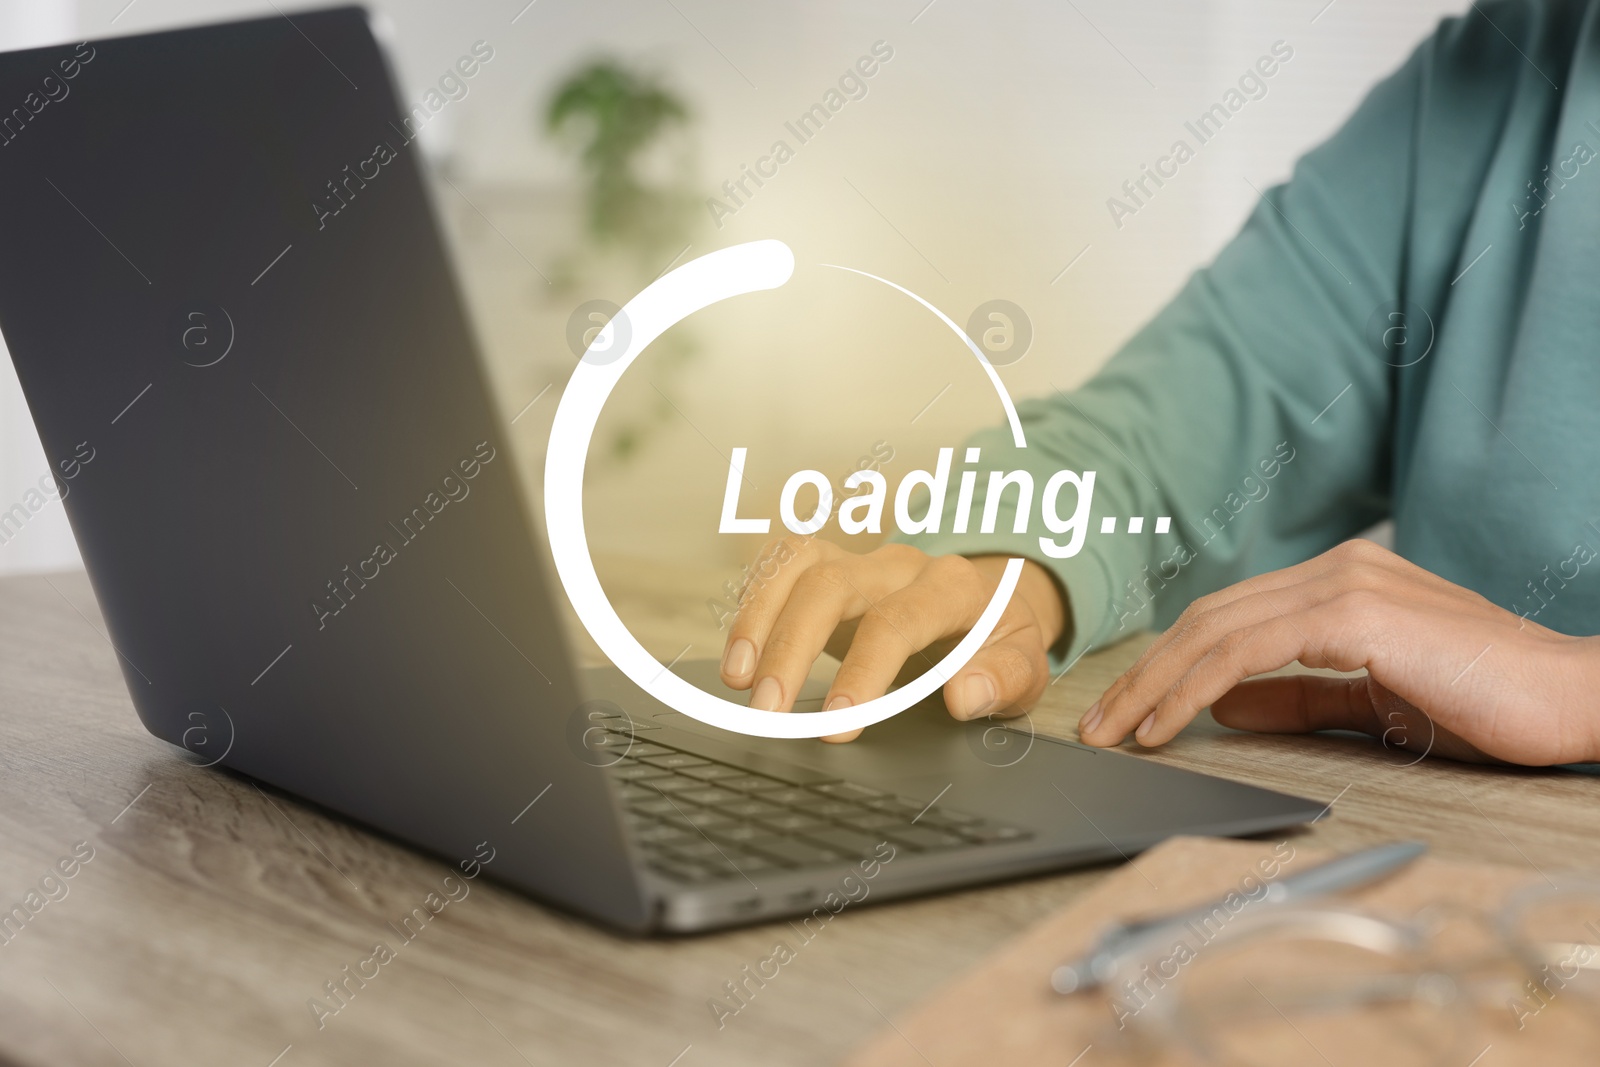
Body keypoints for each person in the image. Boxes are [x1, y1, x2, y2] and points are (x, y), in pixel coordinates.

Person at [718, 0, 1600, 766]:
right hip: (1455, 885)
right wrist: (1012, 568)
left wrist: (1576, 694)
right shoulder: (1495, 77)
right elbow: (1171, 433)